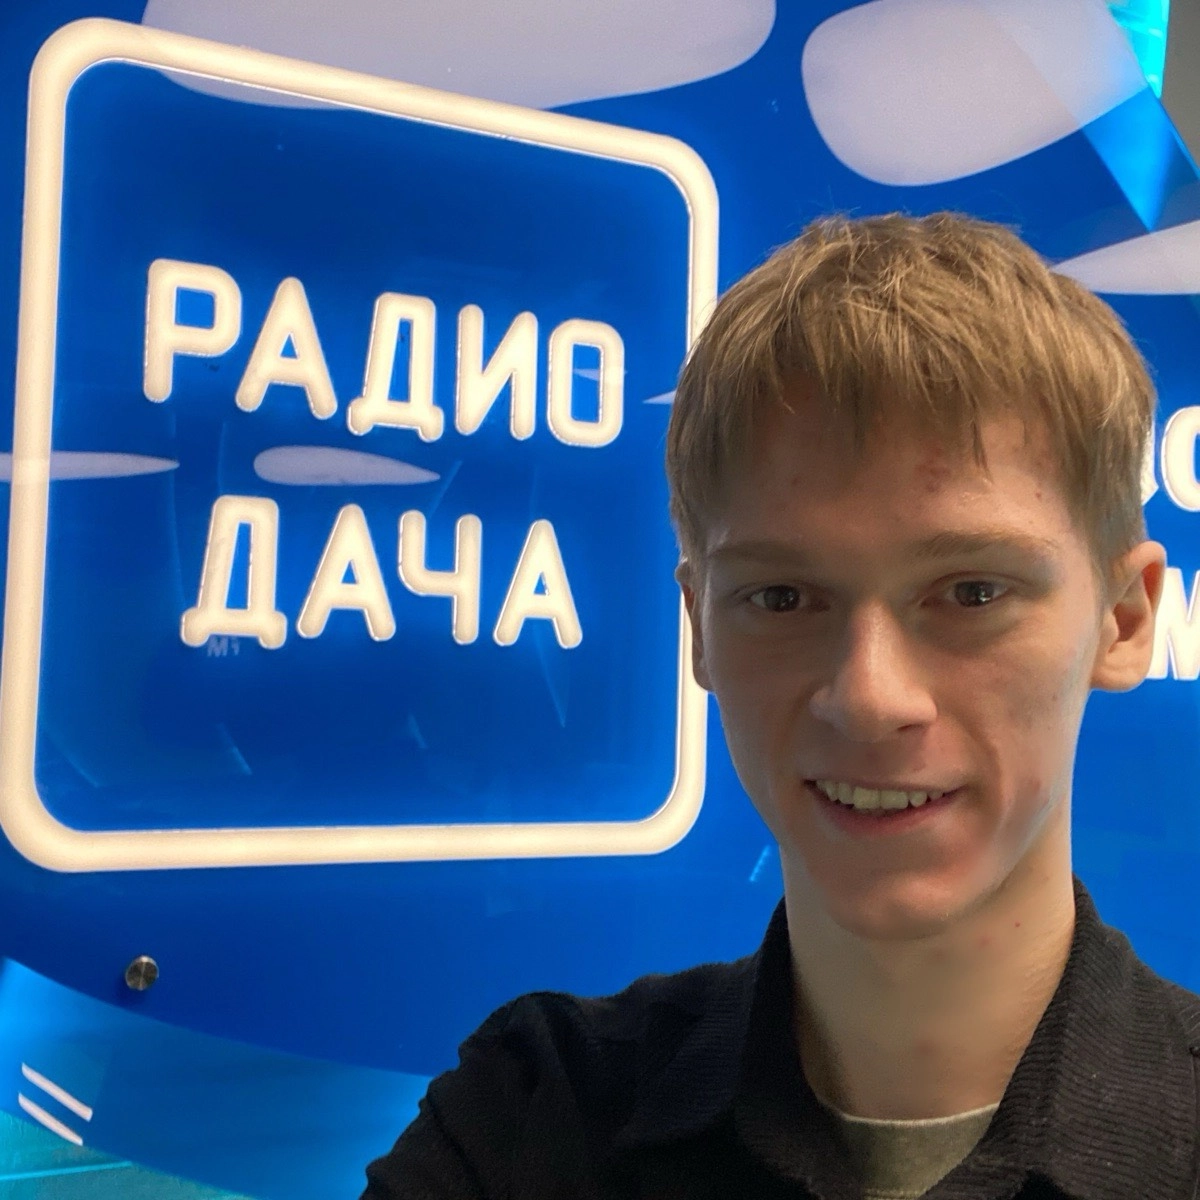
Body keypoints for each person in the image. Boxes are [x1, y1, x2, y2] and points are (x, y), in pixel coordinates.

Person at [361, 212, 1200, 1199]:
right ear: (699, 628)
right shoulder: (531, 1117)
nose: (869, 699)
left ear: (1124, 619)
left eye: (972, 592)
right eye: (782, 598)